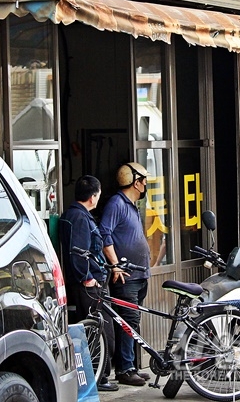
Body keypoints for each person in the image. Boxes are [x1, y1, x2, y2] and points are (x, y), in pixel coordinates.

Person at [59, 175, 118, 392]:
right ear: (93, 197)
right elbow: (78, 252)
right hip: (90, 284)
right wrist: (87, 278)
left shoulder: (72, 214)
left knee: (96, 328)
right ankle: (100, 376)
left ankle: (98, 374)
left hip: (87, 282)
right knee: (101, 329)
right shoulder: (81, 218)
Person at [99, 162, 152, 386]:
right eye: (144, 180)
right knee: (128, 320)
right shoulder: (116, 204)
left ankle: (130, 364)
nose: (146, 184)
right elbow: (104, 234)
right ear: (135, 182)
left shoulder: (132, 204)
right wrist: (115, 265)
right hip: (126, 276)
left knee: (132, 320)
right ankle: (125, 368)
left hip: (140, 274)